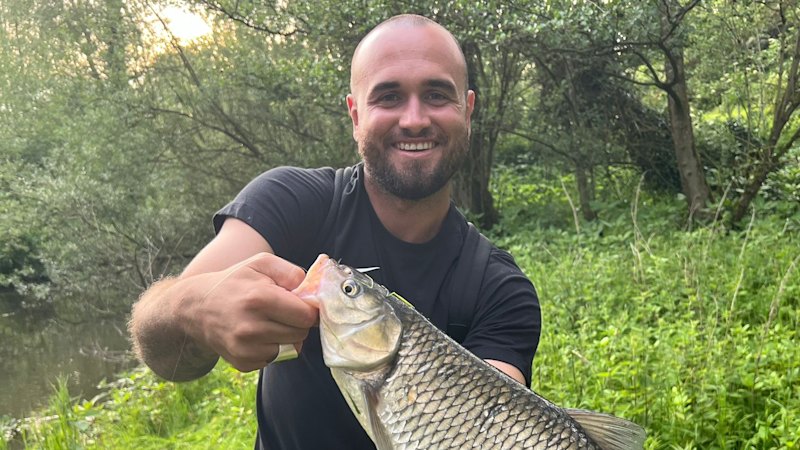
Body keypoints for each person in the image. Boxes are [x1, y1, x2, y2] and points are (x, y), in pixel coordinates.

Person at [129, 13, 541, 450]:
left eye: (437, 94)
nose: (415, 119)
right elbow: (161, 343)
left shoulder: (500, 289)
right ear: (355, 114)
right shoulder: (293, 202)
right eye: (389, 97)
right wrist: (192, 309)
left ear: (468, 111)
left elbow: (503, 425)